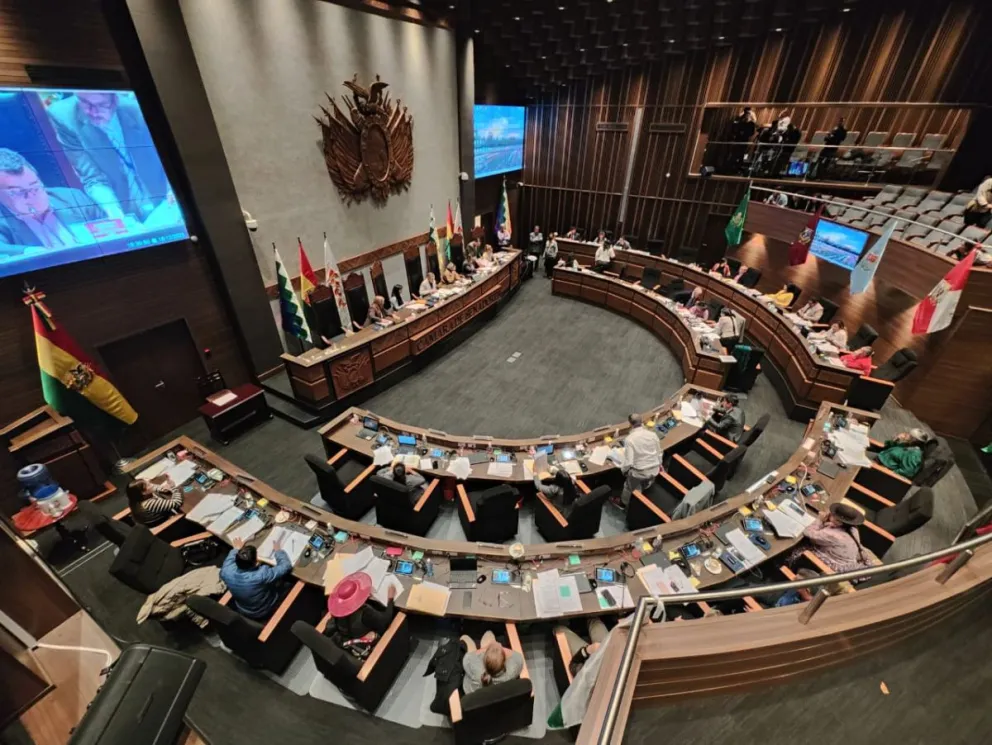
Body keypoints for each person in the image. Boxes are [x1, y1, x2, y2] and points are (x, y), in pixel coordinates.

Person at [46, 91, 171, 222]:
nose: (93, 112)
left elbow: (168, 159)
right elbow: (91, 177)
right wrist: (112, 210)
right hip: (121, 202)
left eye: (101, 104)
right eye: (85, 103)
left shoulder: (139, 111)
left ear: (115, 100)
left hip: (161, 197)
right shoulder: (62, 117)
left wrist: (174, 192)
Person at [0, 149, 107, 253]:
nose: (32, 196)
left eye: (35, 187)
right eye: (18, 192)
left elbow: (111, 231)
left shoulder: (73, 198)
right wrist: (32, 252)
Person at [220, 537, 293, 620]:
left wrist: (236, 549)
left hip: (244, 608)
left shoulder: (226, 570)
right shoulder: (260, 575)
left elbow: (230, 559)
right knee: (287, 582)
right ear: (255, 563)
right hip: (264, 610)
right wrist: (278, 551)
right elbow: (286, 566)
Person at [324, 571, 397, 654]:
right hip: (364, 641)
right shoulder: (365, 613)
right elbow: (385, 621)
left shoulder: (338, 611)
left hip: (348, 637)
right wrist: (390, 599)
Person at [798, 503, 871, 573]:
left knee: (800, 546)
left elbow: (807, 532)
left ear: (839, 522)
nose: (829, 514)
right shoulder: (854, 529)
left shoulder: (832, 535)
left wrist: (819, 519)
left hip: (835, 566)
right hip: (849, 561)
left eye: (832, 514)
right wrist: (829, 524)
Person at [619, 413, 663, 507]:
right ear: (642, 422)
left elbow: (628, 462)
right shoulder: (653, 435)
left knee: (628, 487)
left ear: (630, 425)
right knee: (645, 484)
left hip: (639, 473)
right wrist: (659, 464)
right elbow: (659, 452)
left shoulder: (630, 439)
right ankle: (642, 493)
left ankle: (623, 504)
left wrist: (623, 471)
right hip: (654, 470)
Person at [460, 630, 524, 695]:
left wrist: (486, 648)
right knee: (489, 634)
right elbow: (517, 656)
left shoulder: (472, 664)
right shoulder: (512, 669)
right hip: (495, 695)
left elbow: (469, 656)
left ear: (484, 657)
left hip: (472, 693)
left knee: (465, 638)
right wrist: (500, 648)